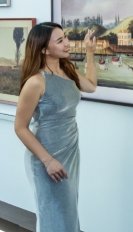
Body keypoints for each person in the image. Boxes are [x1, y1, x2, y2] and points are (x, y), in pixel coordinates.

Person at [15, 23, 97, 232]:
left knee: (68, 213)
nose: (67, 43)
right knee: (54, 218)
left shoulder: (67, 71)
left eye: (66, 38)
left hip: (70, 151)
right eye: (60, 40)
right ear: (44, 48)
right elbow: (20, 127)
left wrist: (89, 53)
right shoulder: (36, 82)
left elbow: (91, 86)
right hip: (46, 156)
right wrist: (48, 160)